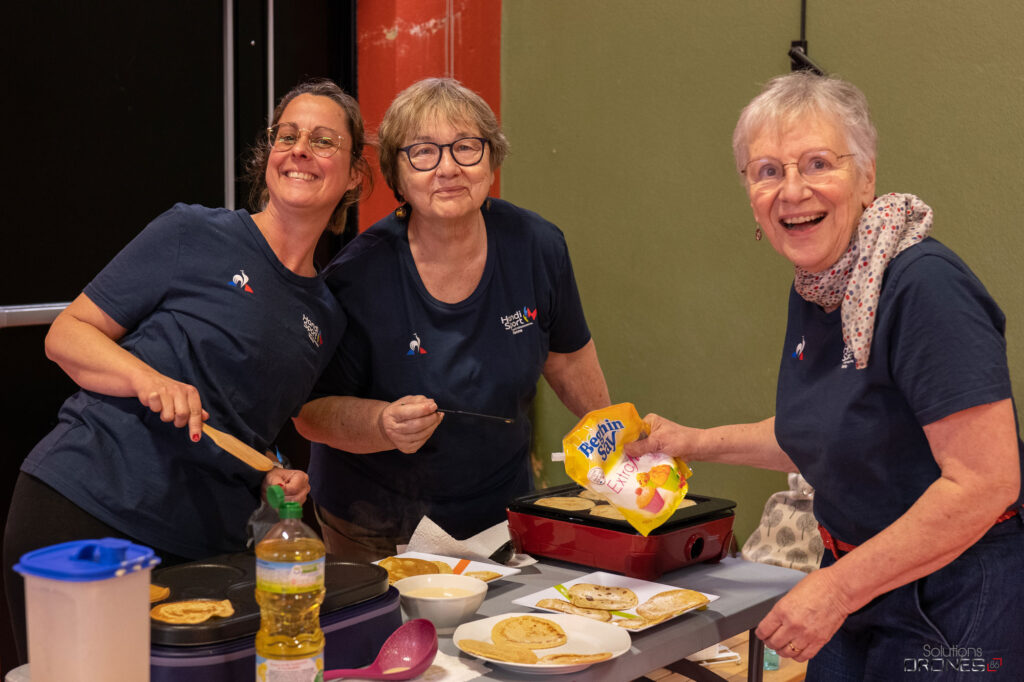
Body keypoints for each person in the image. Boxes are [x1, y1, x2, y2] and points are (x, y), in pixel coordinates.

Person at [626, 72, 1024, 680]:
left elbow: (985, 481)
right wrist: (689, 442)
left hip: (953, 596)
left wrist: (836, 590)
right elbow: (825, 431)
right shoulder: (823, 285)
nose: (792, 191)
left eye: (817, 164)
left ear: (866, 177)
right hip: (864, 585)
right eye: (767, 171)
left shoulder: (924, 286)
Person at [3, 78, 370, 663]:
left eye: (324, 140)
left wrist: (272, 474)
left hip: (206, 548)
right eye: (288, 135)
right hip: (87, 508)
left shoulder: (327, 317)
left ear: (353, 174)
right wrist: (146, 378)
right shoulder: (192, 233)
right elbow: (67, 335)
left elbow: (248, 425)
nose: (300, 149)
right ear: (269, 155)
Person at [294, 77, 611, 561]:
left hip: (500, 513)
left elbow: (567, 359)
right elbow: (310, 414)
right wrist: (382, 423)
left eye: (466, 148)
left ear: (491, 160)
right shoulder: (356, 277)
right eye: (423, 152)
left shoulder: (537, 245)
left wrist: (616, 444)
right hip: (375, 525)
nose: (448, 168)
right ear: (397, 175)